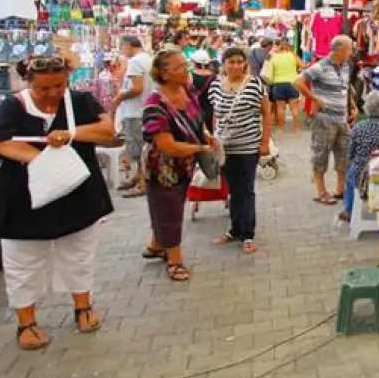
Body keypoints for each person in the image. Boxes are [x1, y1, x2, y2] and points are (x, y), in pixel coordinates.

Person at [0, 56, 116, 349]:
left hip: (76, 195)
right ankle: (26, 322)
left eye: (59, 85)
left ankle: (83, 306)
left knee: (78, 252)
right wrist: (43, 160)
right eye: (44, 88)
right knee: (23, 259)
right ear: (29, 83)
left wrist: (71, 135)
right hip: (23, 200)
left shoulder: (79, 101)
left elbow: (106, 130)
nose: (53, 93)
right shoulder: (13, 106)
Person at [141, 49, 215, 282]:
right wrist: (201, 149)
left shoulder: (187, 91)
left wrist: (205, 136)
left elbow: (197, 121)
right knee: (169, 212)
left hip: (184, 164)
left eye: (185, 65)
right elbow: (168, 146)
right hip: (163, 168)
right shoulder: (154, 105)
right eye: (180, 67)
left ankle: (156, 245)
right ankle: (175, 260)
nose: (187, 70)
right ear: (164, 73)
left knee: (167, 209)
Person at [208, 47, 271, 253]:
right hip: (225, 148)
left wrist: (265, 142)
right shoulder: (216, 85)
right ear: (224, 64)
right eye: (231, 62)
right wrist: (213, 140)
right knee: (233, 190)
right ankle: (235, 229)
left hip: (248, 146)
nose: (235, 66)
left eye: (239, 61)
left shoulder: (255, 84)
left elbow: (266, 114)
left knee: (246, 190)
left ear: (245, 63)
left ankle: (248, 234)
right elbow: (215, 114)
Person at [295, 35, 356, 204]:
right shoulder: (320, 66)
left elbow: (345, 88)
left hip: (342, 118)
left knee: (344, 154)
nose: (352, 52)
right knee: (321, 154)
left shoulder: (345, 66)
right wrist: (314, 98)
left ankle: (340, 189)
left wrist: (353, 107)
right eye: (350, 49)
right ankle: (321, 192)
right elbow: (298, 82)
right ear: (340, 50)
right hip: (324, 118)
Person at [340, 91, 379, 221]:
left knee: (351, 172)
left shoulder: (358, 127)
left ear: (367, 108)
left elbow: (351, 153)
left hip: (363, 174)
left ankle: (348, 210)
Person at [110, 36, 153, 198]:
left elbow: (137, 88)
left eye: (122, 48)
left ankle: (142, 181)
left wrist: (119, 97)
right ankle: (138, 176)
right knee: (142, 146)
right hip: (144, 109)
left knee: (137, 147)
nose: (122, 52)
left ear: (127, 45)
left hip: (136, 111)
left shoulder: (135, 62)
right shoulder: (148, 59)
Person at [268, 38, 306, 131]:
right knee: (294, 108)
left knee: (280, 108)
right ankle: (296, 128)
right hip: (292, 83)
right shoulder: (292, 55)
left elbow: (270, 71)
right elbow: (303, 65)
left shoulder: (274, 57)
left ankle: (281, 128)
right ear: (289, 46)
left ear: (279, 46)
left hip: (278, 84)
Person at [190, 50, 217, 132]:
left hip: (194, 113)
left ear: (194, 62)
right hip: (211, 114)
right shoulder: (215, 77)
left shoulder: (189, 77)